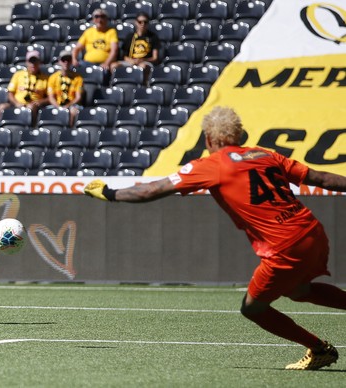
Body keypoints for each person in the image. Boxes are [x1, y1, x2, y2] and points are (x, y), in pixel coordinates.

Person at [84, 106, 346, 370]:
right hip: (312, 230)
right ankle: (319, 347)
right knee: (299, 290)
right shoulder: (264, 154)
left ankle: (318, 349)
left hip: (284, 244)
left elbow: (151, 190)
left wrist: (110, 193)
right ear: (239, 134)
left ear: (209, 139)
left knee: (253, 308)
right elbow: (320, 177)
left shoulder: (212, 165)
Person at [0, 49, 49, 127]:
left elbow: (50, 97)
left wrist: (41, 101)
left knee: (30, 107)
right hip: (17, 103)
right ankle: (1, 128)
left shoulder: (45, 78)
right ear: (27, 62)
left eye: (35, 61)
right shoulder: (18, 74)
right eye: (31, 61)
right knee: (2, 107)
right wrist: (16, 103)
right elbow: (10, 93)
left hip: (33, 104)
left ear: (39, 62)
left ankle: (31, 129)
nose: (33, 64)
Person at [110, 12, 160, 86]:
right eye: (140, 22)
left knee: (142, 67)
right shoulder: (130, 37)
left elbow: (155, 58)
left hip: (145, 62)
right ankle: (116, 85)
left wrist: (143, 60)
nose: (142, 24)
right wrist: (131, 60)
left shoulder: (153, 37)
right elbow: (123, 56)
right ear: (136, 23)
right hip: (131, 61)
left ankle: (143, 86)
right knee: (113, 66)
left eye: (145, 22)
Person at [72, 8, 119, 74]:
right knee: (75, 68)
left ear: (106, 19)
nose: (99, 20)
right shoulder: (88, 32)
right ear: (93, 19)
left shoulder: (111, 32)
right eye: (97, 17)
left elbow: (114, 50)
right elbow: (76, 48)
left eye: (102, 16)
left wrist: (107, 63)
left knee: (104, 72)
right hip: (87, 63)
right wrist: (74, 59)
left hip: (103, 64)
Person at [47, 50, 84, 127]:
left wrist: (67, 106)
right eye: (64, 60)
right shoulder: (53, 77)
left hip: (72, 105)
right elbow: (51, 97)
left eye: (68, 60)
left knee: (74, 111)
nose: (66, 62)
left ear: (71, 61)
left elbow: (78, 97)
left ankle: (69, 130)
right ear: (59, 61)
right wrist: (59, 107)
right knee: (47, 111)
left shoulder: (78, 78)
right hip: (56, 104)